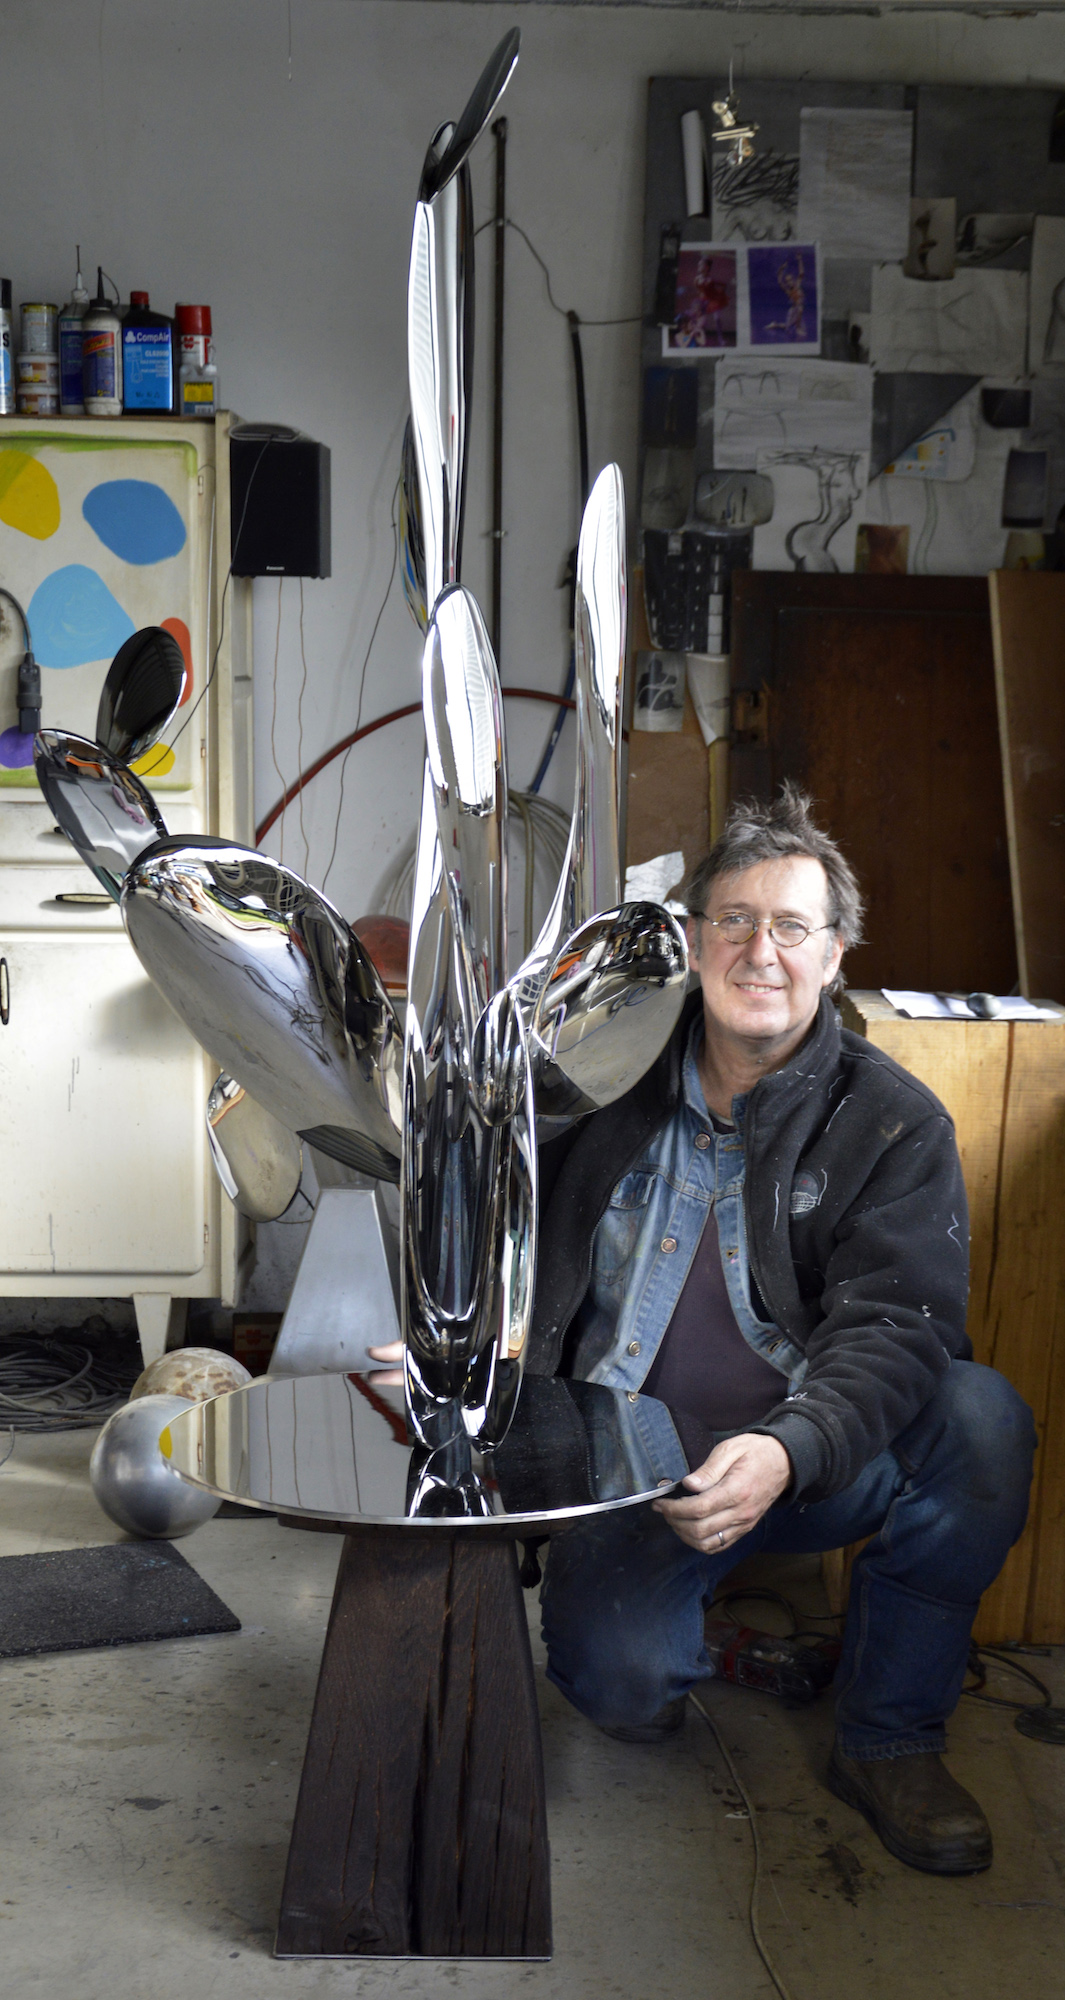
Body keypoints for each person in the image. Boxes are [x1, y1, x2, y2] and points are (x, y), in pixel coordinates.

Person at [528, 784, 1035, 1877]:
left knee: (981, 1417)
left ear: (834, 954)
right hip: (637, 1476)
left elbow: (900, 1327)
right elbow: (499, 1228)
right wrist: (458, 1343)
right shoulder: (595, 1079)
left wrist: (785, 1449)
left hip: (807, 1462)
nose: (762, 951)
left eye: (793, 927)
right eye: (735, 920)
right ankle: (714, 1638)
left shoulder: (890, 1119)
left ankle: (890, 1735)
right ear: (691, 940)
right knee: (621, 1692)